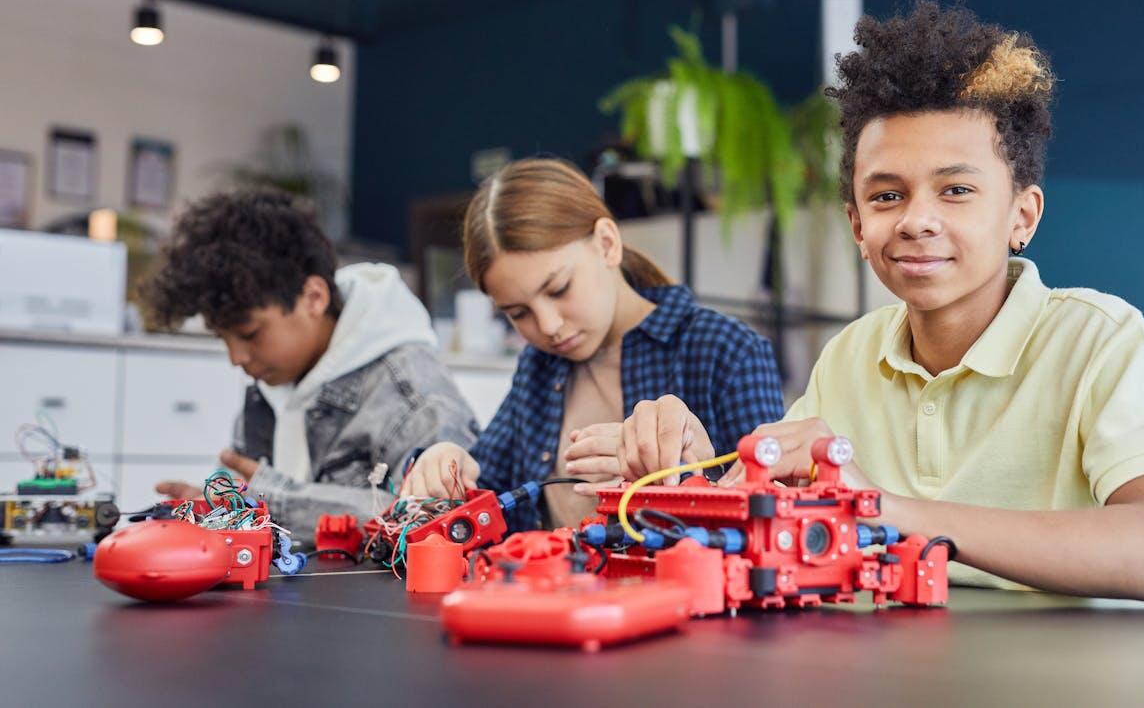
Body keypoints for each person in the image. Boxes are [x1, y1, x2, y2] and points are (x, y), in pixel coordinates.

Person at [612, 1, 1144, 608]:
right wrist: (688, 477)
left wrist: (884, 508)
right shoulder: (848, 356)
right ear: (856, 225)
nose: (917, 221)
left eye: (956, 190)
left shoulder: (1102, 341)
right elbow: (769, 526)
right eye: (887, 195)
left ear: (1021, 216)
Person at [401, 158, 785, 530]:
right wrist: (444, 464)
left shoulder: (728, 352)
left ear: (606, 243)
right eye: (518, 313)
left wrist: (687, 480)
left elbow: (773, 516)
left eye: (559, 288)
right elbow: (487, 483)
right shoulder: (539, 365)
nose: (548, 326)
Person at [140, 189, 478, 536]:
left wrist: (274, 503)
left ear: (314, 298)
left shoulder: (413, 397)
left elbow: (440, 518)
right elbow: (247, 489)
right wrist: (221, 509)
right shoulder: (276, 379)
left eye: (250, 334)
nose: (236, 358)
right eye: (223, 338)